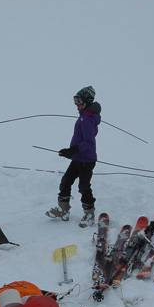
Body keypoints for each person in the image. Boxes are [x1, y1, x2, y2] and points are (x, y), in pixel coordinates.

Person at [46, 85, 100, 226]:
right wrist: (70, 152)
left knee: (83, 187)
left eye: (79, 102)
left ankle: (89, 214)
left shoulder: (87, 119)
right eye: (75, 102)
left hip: (87, 160)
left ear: (87, 102)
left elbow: (88, 143)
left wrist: (72, 150)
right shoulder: (83, 117)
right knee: (65, 181)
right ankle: (63, 210)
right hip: (78, 158)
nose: (77, 105)